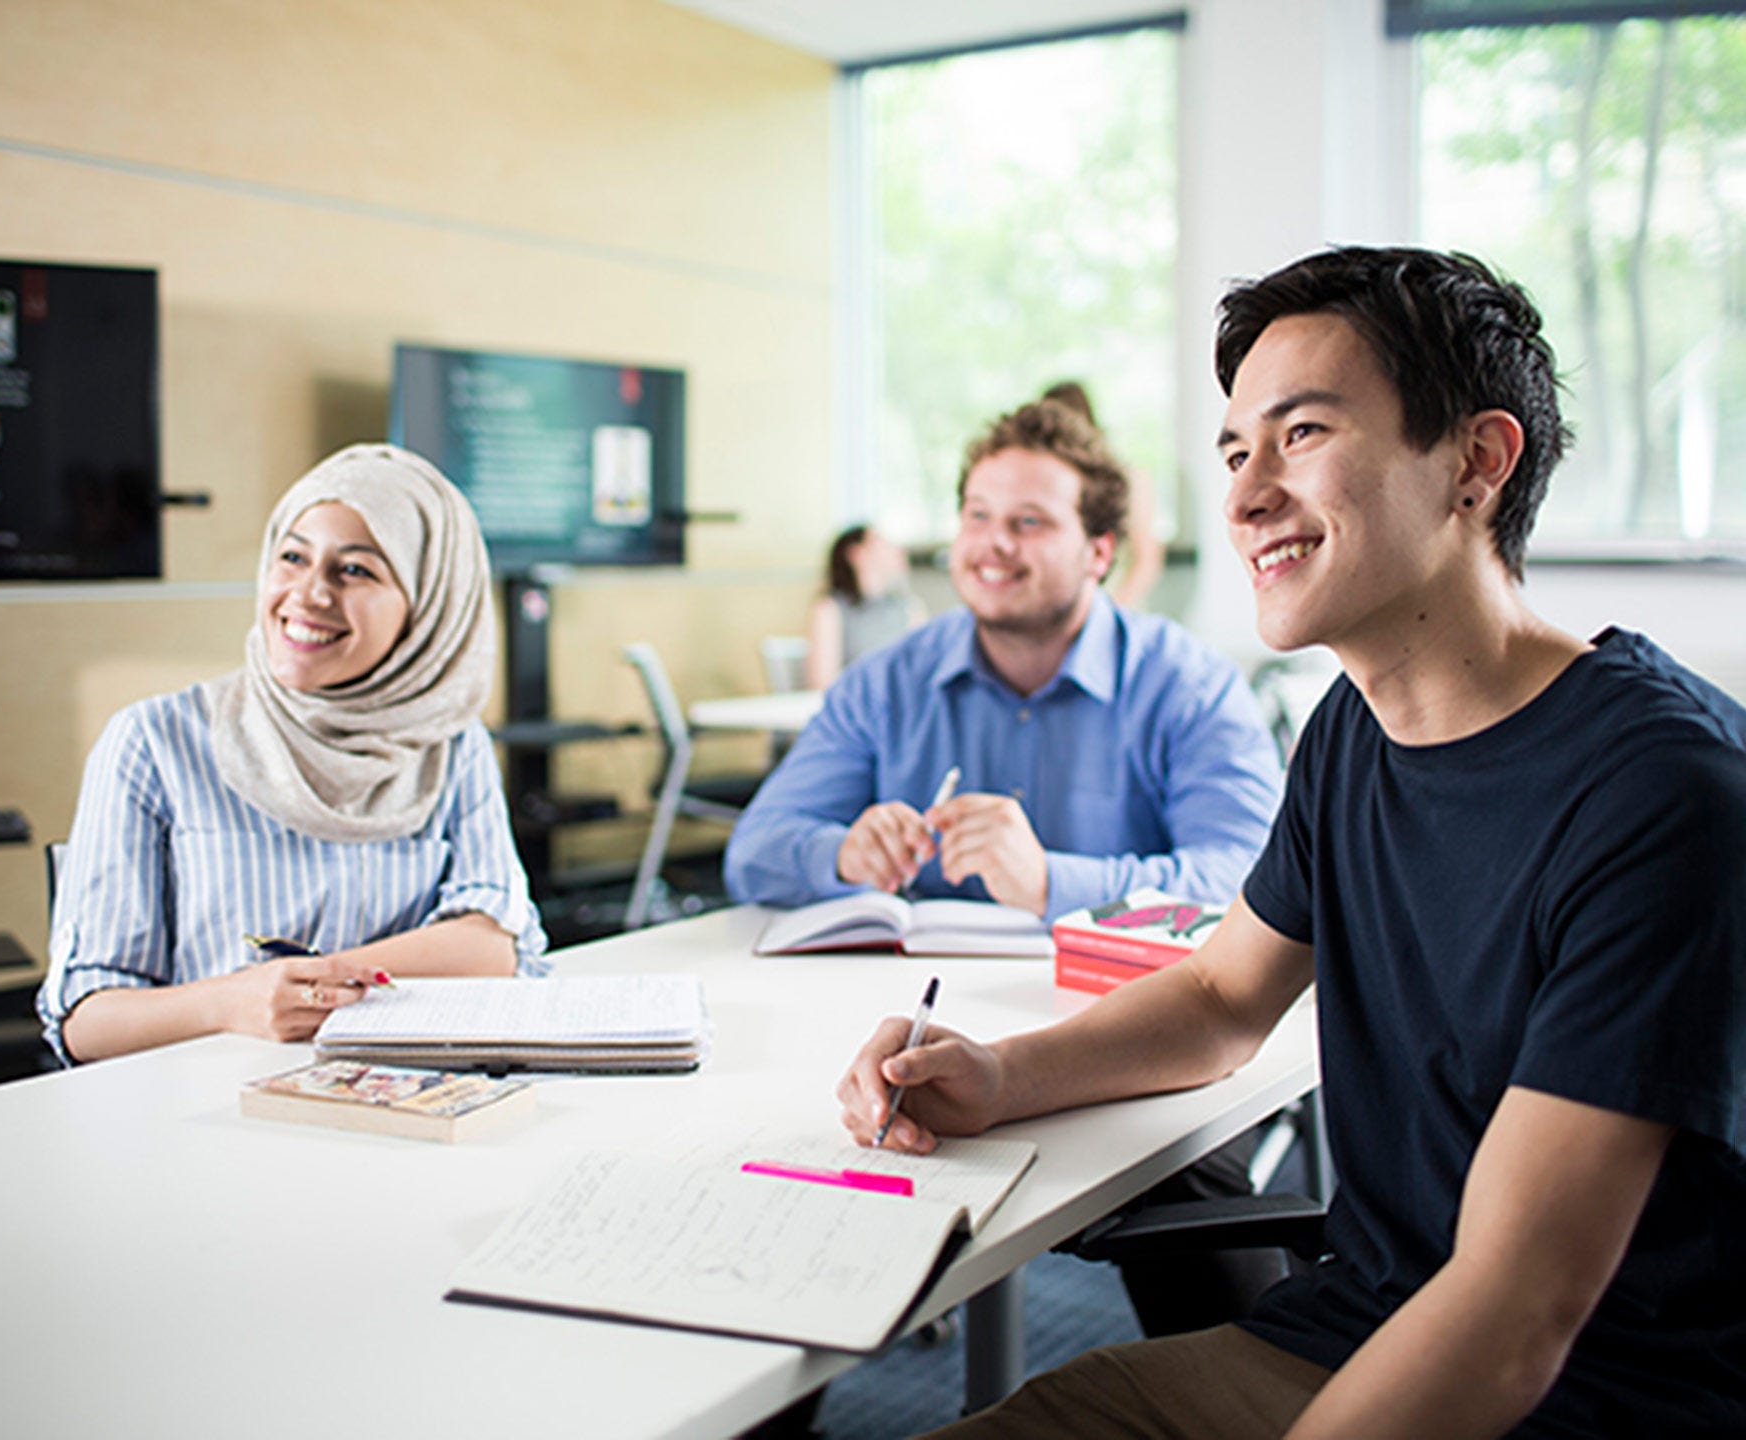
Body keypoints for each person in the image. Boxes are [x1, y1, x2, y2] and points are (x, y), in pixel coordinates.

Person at [839, 247, 1746, 1438]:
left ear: (1478, 462)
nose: (1245, 495)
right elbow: (1222, 995)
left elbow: (1516, 1309)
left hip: (1574, 1398)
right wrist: (1002, 1077)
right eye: (1234, 452)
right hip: (1347, 1335)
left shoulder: (1668, 794)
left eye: (1301, 434)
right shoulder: (1351, 735)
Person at [38, 444, 547, 1064]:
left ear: (427, 607)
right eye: (293, 557)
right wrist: (232, 1002)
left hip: (405, 1107)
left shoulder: (448, 743)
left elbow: (493, 947)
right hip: (205, 1119)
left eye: (355, 571)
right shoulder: (153, 742)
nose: (308, 594)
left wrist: (311, 984)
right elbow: (86, 1021)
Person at [726, 399, 1281, 922]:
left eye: (1029, 522)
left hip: (1114, 1010)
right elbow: (753, 854)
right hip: (910, 1002)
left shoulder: (1189, 687)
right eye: (978, 516)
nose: (994, 544)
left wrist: (1049, 882)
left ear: (1099, 552)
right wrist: (842, 855)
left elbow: (1249, 880)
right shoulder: (885, 685)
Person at [1041, 380, 1166, 611]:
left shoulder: (1129, 480)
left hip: (1113, 606)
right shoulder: (1041, 484)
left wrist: (1112, 609)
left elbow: (1147, 559)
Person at [804, 524, 926, 689]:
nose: (896, 550)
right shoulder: (830, 609)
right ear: (857, 554)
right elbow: (823, 682)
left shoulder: (911, 607)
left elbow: (923, 670)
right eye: (882, 542)